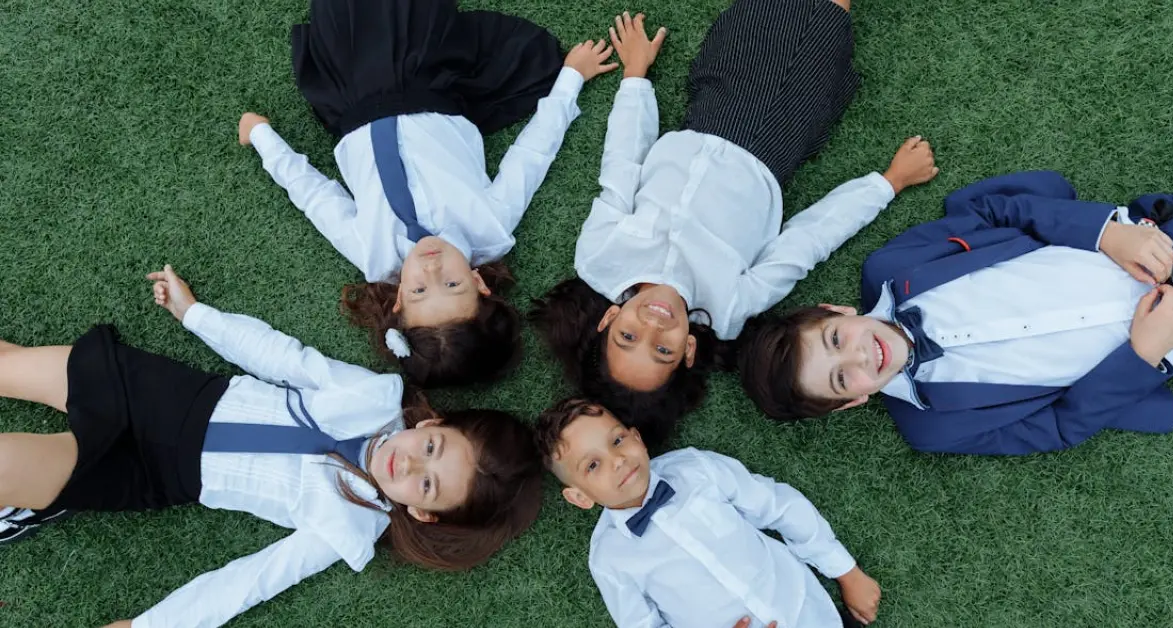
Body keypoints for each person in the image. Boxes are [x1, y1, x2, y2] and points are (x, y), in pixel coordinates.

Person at [0, 265, 543, 627]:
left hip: (150, 468)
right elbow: (283, 358)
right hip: (160, 393)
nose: (409, 461)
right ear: (435, 421)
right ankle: (30, 499)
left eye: (426, 482)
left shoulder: (350, 525)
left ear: (422, 512)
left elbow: (253, 579)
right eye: (432, 445)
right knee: (8, 365)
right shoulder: (372, 395)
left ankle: (29, 500)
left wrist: (151, 626)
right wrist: (195, 315)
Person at [532, 5, 937, 446]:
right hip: (774, 131)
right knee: (823, 19)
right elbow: (808, 240)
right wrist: (887, 184)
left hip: (707, 107)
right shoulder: (730, 307)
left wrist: (635, 76)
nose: (654, 326)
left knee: (753, 15)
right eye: (663, 350)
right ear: (688, 350)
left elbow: (622, 164)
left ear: (609, 317)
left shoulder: (599, 257)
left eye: (628, 336)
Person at [240, 0, 618, 387]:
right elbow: (531, 155)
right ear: (480, 285)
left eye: (420, 289)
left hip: (353, 95)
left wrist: (262, 138)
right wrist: (570, 79)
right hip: (429, 80)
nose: (432, 268)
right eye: (452, 284)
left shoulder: (372, 255)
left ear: (400, 299)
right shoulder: (491, 227)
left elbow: (316, 197)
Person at [739, 171, 1173, 455]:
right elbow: (1059, 426)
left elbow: (996, 212)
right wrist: (1142, 357)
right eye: (842, 379)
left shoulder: (890, 267)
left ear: (836, 311)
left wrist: (1105, 235)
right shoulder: (934, 428)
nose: (859, 357)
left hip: (1159, 243)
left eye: (836, 339)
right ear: (852, 402)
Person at [535, 398, 882, 627]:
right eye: (593, 465)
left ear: (637, 438)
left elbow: (778, 506)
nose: (619, 460)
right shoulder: (609, 559)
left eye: (617, 441)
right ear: (579, 497)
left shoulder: (695, 468)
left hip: (807, 611)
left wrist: (846, 571)